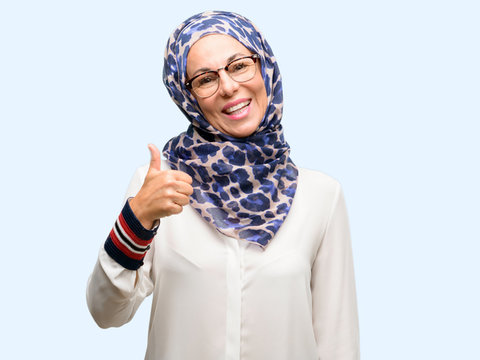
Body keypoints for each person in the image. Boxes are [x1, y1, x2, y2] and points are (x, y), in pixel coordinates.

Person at [86, 11, 359, 360]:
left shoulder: (321, 195)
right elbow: (105, 312)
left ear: (265, 68)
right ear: (187, 97)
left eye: (239, 65)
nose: (228, 87)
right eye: (204, 79)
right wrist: (135, 220)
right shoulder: (158, 185)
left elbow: (338, 342)